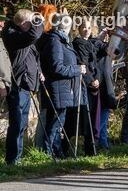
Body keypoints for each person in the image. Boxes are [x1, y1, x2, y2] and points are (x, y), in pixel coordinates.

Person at [38, 13, 87, 158]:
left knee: (58, 121)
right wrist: (78, 69)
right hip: (58, 87)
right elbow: (57, 67)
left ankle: (56, 151)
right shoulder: (55, 41)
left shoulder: (61, 40)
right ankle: (49, 153)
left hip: (63, 88)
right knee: (55, 122)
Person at [3, 9, 43, 165]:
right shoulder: (12, 35)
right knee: (17, 123)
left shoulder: (23, 36)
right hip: (16, 84)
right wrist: (39, 19)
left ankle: (17, 157)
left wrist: (39, 71)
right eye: (30, 22)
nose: (33, 25)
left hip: (26, 85)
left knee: (22, 123)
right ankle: (12, 159)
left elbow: (34, 55)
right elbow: (34, 35)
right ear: (23, 23)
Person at [68, 21, 99, 156]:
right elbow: (83, 64)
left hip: (93, 82)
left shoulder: (90, 43)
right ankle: (87, 148)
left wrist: (98, 79)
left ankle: (91, 147)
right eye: (84, 28)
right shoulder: (79, 44)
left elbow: (95, 64)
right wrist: (91, 80)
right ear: (79, 29)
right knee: (84, 116)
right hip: (84, 84)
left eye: (89, 27)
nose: (87, 30)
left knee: (92, 115)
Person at [91, 28, 117, 150]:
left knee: (105, 113)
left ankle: (103, 142)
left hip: (106, 82)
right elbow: (97, 45)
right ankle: (95, 139)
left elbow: (116, 52)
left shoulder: (105, 45)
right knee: (103, 114)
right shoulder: (95, 44)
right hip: (101, 82)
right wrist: (100, 36)